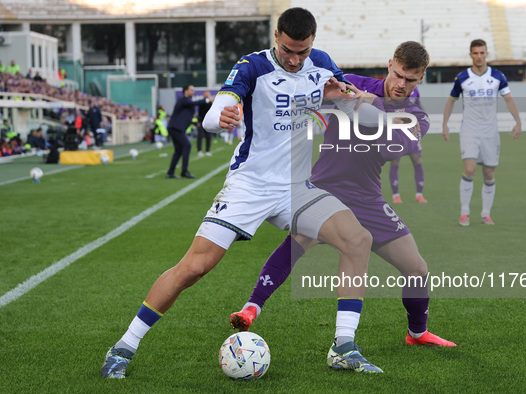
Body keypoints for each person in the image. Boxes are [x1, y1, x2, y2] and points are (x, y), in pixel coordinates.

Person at [100, 7, 391, 378]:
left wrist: (351, 101)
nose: (295, 58)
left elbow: (368, 120)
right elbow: (214, 113)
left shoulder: (322, 64)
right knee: (194, 267)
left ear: (313, 42)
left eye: (302, 51)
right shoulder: (252, 66)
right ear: (276, 36)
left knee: (357, 239)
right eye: (288, 49)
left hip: (296, 187)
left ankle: (343, 346)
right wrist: (220, 116)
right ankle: (124, 347)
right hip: (249, 185)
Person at [230, 41, 456, 354]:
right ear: (390, 64)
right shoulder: (351, 81)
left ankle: (418, 332)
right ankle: (251, 308)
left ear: (421, 79)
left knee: (417, 269)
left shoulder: (417, 116)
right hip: (325, 186)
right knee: (297, 243)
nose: (403, 84)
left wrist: (366, 103)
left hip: (367, 198)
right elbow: (313, 93)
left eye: (412, 80)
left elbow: (392, 143)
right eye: (400, 75)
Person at [442, 39, 522, 226]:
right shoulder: (462, 77)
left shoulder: (497, 76)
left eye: (482, 53)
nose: (479, 56)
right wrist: (445, 124)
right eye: (475, 53)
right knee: (469, 169)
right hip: (469, 130)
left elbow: (509, 100)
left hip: (490, 131)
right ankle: (464, 212)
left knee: (488, 174)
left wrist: (518, 122)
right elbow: (451, 101)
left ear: (487, 54)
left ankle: (486, 214)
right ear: (470, 54)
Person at [389, 87, 428, 203]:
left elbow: (419, 107)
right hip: (396, 132)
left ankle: (419, 194)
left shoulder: (415, 90)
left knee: (417, 160)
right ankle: (396, 195)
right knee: (395, 162)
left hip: (412, 132)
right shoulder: (391, 88)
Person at [165, 85, 202, 179]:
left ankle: (170, 172)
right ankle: (184, 171)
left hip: (175, 127)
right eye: (191, 90)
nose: (193, 92)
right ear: (186, 91)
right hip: (176, 128)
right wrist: (207, 100)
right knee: (187, 145)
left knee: (178, 150)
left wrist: (193, 123)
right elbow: (194, 103)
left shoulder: (186, 102)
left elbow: (184, 116)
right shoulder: (183, 99)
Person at [195, 91, 214, 156]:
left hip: (208, 121)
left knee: (208, 136)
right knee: (200, 136)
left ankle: (207, 150)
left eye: (208, 94)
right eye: (206, 94)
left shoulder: (210, 103)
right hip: (201, 121)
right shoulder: (202, 101)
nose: (207, 95)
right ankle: (199, 150)